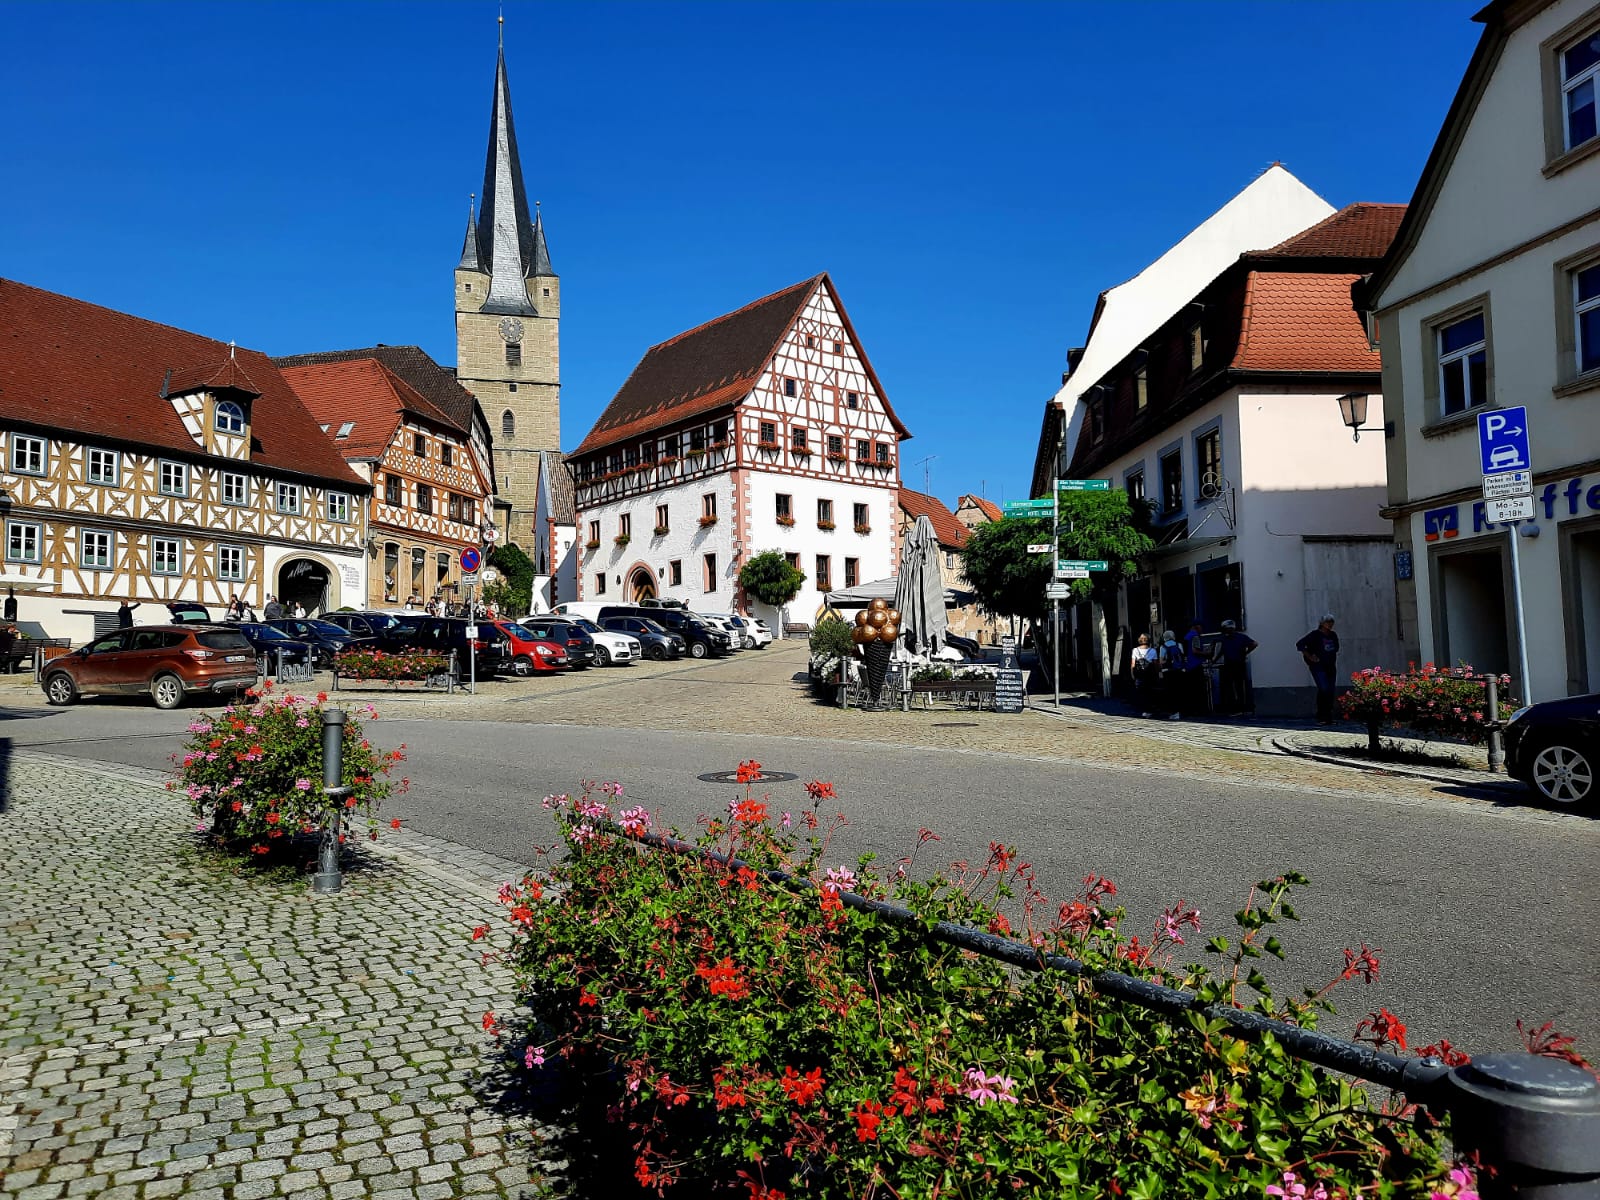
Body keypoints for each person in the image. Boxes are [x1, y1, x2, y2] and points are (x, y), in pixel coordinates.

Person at [1296, 613, 1341, 724]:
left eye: (1331, 622)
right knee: (1324, 689)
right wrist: (1310, 656)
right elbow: (1300, 644)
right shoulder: (1315, 635)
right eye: (1327, 622)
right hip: (1318, 667)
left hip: (1330, 666)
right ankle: (1321, 716)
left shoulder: (1333, 635)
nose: (1330, 624)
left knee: (1330, 691)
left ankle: (1328, 717)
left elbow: (1336, 648)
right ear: (1322, 623)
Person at [1216, 619, 1258, 715]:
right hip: (1236, 663)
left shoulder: (1227, 638)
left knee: (1234, 686)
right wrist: (1245, 653)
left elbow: (1254, 644)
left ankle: (1238, 708)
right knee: (1238, 686)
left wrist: (1246, 653)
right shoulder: (1240, 637)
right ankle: (1239, 708)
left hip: (1233, 664)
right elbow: (1254, 644)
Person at [1155, 630, 1186, 720]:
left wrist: (1167, 663)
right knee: (1179, 691)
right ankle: (1180, 711)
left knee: (1170, 691)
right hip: (1178, 670)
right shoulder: (1179, 645)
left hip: (1168, 671)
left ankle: (1173, 712)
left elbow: (1161, 661)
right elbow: (1182, 657)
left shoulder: (1163, 647)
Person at [1182, 621, 1211, 716]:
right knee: (1200, 688)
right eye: (1201, 627)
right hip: (1195, 665)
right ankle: (1202, 710)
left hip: (1187, 665)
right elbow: (1195, 651)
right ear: (1196, 627)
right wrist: (1207, 654)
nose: (1202, 629)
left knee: (1191, 689)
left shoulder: (1186, 637)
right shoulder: (1195, 636)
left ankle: (1191, 709)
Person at [1129, 633, 1159, 717]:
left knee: (1141, 691)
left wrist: (1132, 674)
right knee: (1150, 691)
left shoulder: (1135, 650)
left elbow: (1133, 663)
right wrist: (1157, 673)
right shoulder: (1153, 651)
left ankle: (1142, 710)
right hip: (1149, 674)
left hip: (1139, 674)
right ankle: (1149, 710)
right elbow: (1156, 664)